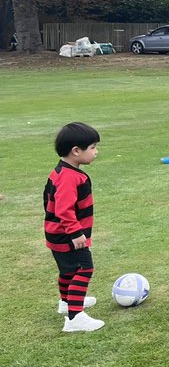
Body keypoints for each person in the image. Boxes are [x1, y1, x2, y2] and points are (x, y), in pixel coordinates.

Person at [45, 122, 104, 332]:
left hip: (56, 235)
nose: (96, 152)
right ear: (76, 151)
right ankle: (74, 317)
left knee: (67, 271)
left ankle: (66, 302)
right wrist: (75, 232)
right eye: (93, 147)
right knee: (83, 268)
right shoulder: (70, 178)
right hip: (68, 235)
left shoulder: (61, 171)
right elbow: (63, 209)